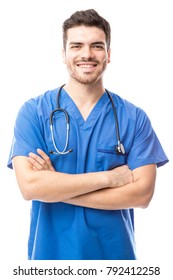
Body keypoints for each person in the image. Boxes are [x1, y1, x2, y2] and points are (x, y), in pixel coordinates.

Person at [7, 9, 168, 260]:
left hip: (115, 263)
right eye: (76, 46)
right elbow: (30, 187)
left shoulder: (134, 118)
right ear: (64, 54)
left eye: (97, 46)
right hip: (50, 262)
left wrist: (56, 187)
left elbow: (142, 195)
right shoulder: (34, 112)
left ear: (108, 54)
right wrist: (109, 179)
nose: (87, 54)